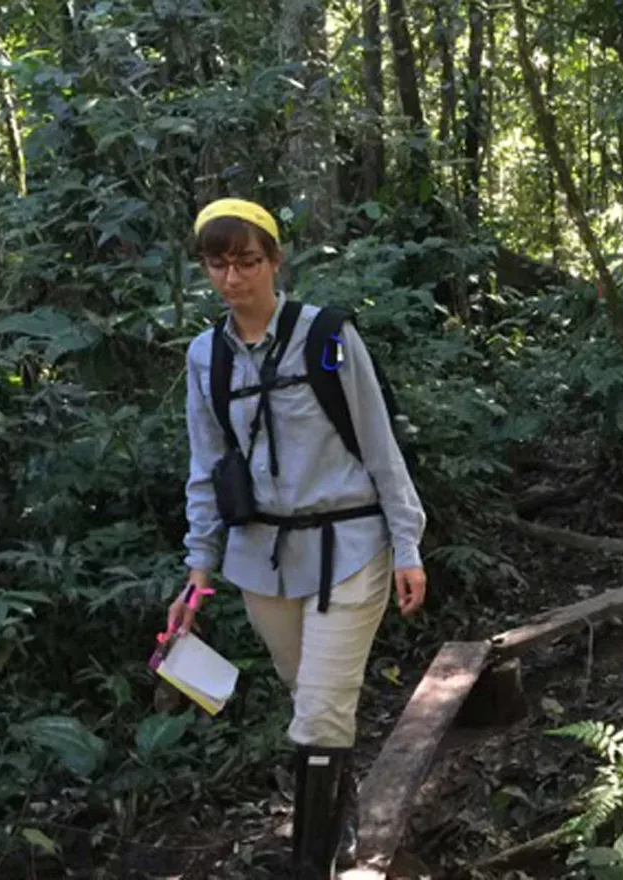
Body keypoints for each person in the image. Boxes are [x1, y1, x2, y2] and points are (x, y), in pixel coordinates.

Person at [166, 198, 427, 878]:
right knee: (307, 696)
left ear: (276, 261)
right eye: (218, 264)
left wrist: (408, 543)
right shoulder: (205, 359)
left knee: (317, 711)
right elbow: (206, 470)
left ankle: (312, 867)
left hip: (350, 546)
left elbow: (379, 443)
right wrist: (199, 571)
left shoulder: (328, 336)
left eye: (247, 261)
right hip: (262, 559)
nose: (232, 279)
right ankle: (340, 819)